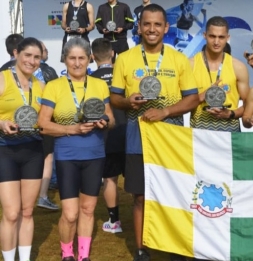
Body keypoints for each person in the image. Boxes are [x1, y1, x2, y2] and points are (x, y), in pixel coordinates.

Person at [110, 4, 199, 261]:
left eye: (157, 24)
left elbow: (192, 99)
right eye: (146, 24)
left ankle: (175, 248)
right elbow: (114, 98)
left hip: (172, 137)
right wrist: (129, 102)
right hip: (138, 136)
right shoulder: (125, 59)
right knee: (140, 195)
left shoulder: (178, 59)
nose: (151, 29)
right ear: (139, 27)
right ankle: (141, 248)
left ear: (166, 28)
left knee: (176, 192)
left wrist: (165, 112)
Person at [37, 37, 115, 261]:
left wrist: (104, 121)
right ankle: (66, 254)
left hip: (95, 154)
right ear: (64, 59)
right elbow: (43, 124)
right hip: (67, 156)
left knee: (88, 210)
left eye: (82, 58)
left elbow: (110, 118)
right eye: (72, 58)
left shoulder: (99, 85)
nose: (77, 63)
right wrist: (72, 128)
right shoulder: (54, 86)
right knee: (70, 214)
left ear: (90, 58)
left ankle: (83, 256)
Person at [0, 37, 46, 261]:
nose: (32, 61)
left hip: (33, 151)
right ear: (16, 53)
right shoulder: (2, 79)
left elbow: (46, 119)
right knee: (10, 213)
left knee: (27, 212)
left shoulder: (41, 86)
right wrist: (1, 123)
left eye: (37, 57)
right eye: (28, 55)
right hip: (5, 150)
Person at [89, 38, 126, 234]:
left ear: (92, 57)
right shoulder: (124, 75)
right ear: (112, 53)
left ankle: (114, 222)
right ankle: (145, 218)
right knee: (140, 179)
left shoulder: (90, 80)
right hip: (131, 132)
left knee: (109, 179)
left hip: (106, 136)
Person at [189, 16, 249, 132]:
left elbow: (249, 104)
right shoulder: (190, 65)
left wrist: (231, 114)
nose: (216, 42)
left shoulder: (238, 67)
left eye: (221, 37)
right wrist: (204, 95)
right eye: (212, 36)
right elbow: (181, 104)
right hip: (199, 134)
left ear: (228, 38)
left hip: (230, 135)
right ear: (204, 35)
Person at [36, 40, 60, 211]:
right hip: (44, 122)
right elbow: (57, 94)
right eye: (44, 50)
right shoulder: (49, 71)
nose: (46, 52)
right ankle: (43, 194)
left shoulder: (5, 68)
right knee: (47, 157)